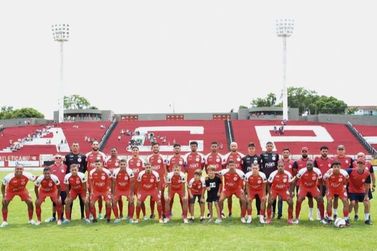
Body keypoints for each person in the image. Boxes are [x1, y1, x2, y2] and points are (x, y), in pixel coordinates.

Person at [64, 142, 87, 220]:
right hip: (70, 180)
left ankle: (83, 216)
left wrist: (81, 175)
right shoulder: (67, 156)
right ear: (71, 147)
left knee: (82, 199)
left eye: (76, 146)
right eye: (74, 146)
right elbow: (65, 167)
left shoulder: (83, 156)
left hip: (80, 180)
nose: (75, 147)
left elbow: (85, 167)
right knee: (70, 200)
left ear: (79, 147)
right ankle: (68, 217)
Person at [292, 146, 315, 221]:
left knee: (310, 199)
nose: (304, 152)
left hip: (311, 185)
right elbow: (295, 173)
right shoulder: (296, 162)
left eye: (306, 151)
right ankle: (297, 216)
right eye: (303, 151)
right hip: (300, 185)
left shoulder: (312, 161)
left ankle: (310, 215)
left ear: (308, 152)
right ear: (301, 152)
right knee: (299, 200)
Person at [86, 141, 107, 220]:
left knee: (100, 198)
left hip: (101, 181)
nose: (95, 145)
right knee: (90, 198)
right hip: (91, 181)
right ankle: (91, 214)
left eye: (96, 144)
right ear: (92, 145)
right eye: (94, 144)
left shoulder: (102, 155)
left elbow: (105, 167)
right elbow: (85, 167)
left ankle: (100, 213)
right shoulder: (87, 155)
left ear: (98, 145)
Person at [223, 142, 245, 218]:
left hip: (239, 180)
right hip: (229, 179)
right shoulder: (226, 156)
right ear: (230, 147)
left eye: (234, 146)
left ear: (237, 147)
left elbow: (243, 167)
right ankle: (230, 212)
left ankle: (242, 213)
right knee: (229, 197)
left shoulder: (241, 156)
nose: (233, 147)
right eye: (232, 146)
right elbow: (223, 167)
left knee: (241, 196)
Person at [347, 159, 371, 224]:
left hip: (361, 190)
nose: (360, 165)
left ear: (364, 165)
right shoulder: (350, 171)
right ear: (356, 164)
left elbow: (367, 185)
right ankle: (347, 217)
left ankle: (366, 219)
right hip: (352, 190)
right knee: (353, 203)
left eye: (361, 163)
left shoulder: (367, 173)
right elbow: (342, 172)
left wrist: (366, 195)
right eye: (358, 163)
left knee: (366, 203)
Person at [147, 142, 167, 219]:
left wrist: (165, 180)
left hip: (161, 180)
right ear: (152, 148)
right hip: (152, 181)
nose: (156, 148)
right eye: (154, 147)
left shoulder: (163, 157)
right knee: (152, 197)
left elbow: (165, 169)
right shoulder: (149, 157)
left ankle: (164, 212)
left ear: (159, 148)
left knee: (161, 196)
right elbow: (147, 169)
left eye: (157, 147)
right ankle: (152, 213)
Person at [259, 141, 279, 218]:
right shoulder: (262, 155)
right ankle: (262, 213)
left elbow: (277, 167)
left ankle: (273, 212)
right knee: (263, 197)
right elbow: (260, 167)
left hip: (273, 180)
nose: (269, 147)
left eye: (271, 146)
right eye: (268, 146)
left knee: (273, 196)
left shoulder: (276, 155)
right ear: (266, 147)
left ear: (273, 147)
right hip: (265, 180)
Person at [112, 159, 135, 224]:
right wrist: (113, 193)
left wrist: (132, 193)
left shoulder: (130, 171)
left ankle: (130, 218)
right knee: (113, 202)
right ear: (119, 165)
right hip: (118, 189)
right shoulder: (115, 171)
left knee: (131, 201)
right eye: (121, 164)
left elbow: (132, 182)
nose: (122, 166)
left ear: (126, 165)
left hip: (127, 189)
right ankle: (117, 218)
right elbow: (113, 182)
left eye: (124, 164)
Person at [47, 154, 68, 223]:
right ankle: (53, 216)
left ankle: (61, 217)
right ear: (54, 159)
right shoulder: (50, 167)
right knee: (54, 203)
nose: (58, 159)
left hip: (63, 188)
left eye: (59, 157)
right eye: (56, 158)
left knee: (62, 203)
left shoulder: (65, 167)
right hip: (54, 189)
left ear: (62, 159)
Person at [166, 143, 185, 215]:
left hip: (180, 181)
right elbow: (167, 168)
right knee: (170, 198)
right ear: (173, 149)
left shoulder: (183, 158)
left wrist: (181, 175)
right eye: (175, 148)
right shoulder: (170, 158)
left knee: (182, 198)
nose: (177, 149)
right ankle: (169, 212)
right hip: (172, 181)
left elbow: (185, 167)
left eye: (178, 148)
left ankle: (184, 212)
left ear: (180, 149)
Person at [128, 146, 146, 220]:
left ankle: (144, 215)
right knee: (130, 200)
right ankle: (129, 215)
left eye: (136, 150)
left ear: (138, 151)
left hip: (139, 185)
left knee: (140, 200)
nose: (135, 151)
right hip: (131, 185)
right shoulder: (128, 160)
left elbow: (145, 172)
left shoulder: (142, 160)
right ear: (132, 152)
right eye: (134, 150)